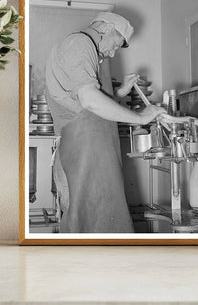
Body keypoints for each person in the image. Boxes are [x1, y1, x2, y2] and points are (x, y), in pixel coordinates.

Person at [45, 12, 165, 233]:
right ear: (106, 28)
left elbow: (85, 106)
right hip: (77, 156)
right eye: (116, 44)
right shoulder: (79, 43)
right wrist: (141, 117)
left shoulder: (86, 49)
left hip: (87, 153)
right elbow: (89, 101)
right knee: (82, 231)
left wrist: (120, 92)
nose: (112, 52)